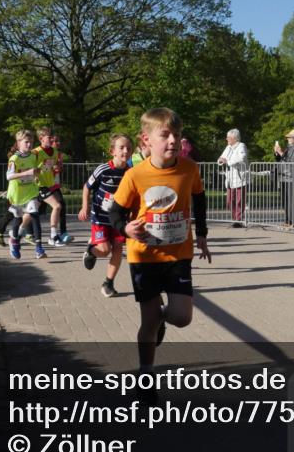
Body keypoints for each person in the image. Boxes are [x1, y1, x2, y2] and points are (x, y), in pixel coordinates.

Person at [108, 108, 212, 381]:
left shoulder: (189, 168)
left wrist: (201, 233)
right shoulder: (135, 175)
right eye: (164, 135)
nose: (173, 141)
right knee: (147, 321)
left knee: (182, 317)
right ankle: (146, 376)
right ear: (146, 140)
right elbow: (115, 212)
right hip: (144, 257)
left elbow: (199, 198)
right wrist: (125, 228)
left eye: (176, 135)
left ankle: (162, 319)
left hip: (178, 255)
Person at [79, 133, 133, 297]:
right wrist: (84, 207)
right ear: (112, 151)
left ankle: (108, 283)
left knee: (117, 249)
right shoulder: (103, 169)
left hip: (119, 220)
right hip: (100, 218)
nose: (125, 151)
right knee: (104, 249)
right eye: (121, 147)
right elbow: (87, 187)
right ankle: (91, 251)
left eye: (129, 148)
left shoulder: (130, 173)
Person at [5, 129, 46, 260]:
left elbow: (35, 170)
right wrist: (26, 173)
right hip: (17, 194)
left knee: (35, 215)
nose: (29, 145)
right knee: (17, 219)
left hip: (31, 191)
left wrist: (38, 173)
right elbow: (9, 176)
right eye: (26, 142)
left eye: (31, 142)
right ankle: (14, 241)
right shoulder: (14, 158)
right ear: (18, 143)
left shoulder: (33, 156)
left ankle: (39, 247)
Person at [35, 127, 73, 246]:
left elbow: (56, 166)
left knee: (56, 206)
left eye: (52, 137)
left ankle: (55, 235)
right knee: (34, 211)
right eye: (49, 137)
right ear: (41, 139)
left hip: (51, 185)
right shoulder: (35, 153)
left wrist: (57, 168)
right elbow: (28, 166)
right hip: (39, 186)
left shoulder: (55, 152)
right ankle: (18, 233)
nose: (51, 139)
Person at [217, 128, 248, 227]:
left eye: (229, 137)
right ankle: (234, 219)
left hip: (239, 177)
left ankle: (238, 220)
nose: (227, 139)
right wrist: (221, 161)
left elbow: (241, 158)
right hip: (230, 178)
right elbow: (221, 158)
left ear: (235, 138)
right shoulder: (228, 147)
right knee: (230, 200)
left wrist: (228, 161)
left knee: (239, 200)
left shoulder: (241, 146)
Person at [274, 129, 294, 227]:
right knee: (285, 200)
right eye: (288, 137)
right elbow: (280, 160)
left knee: (292, 201)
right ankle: (287, 221)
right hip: (284, 176)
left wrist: (280, 152)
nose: (288, 139)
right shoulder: (288, 148)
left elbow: (291, 162)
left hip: (291, 177)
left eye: (290, 137)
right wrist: (277, 153)